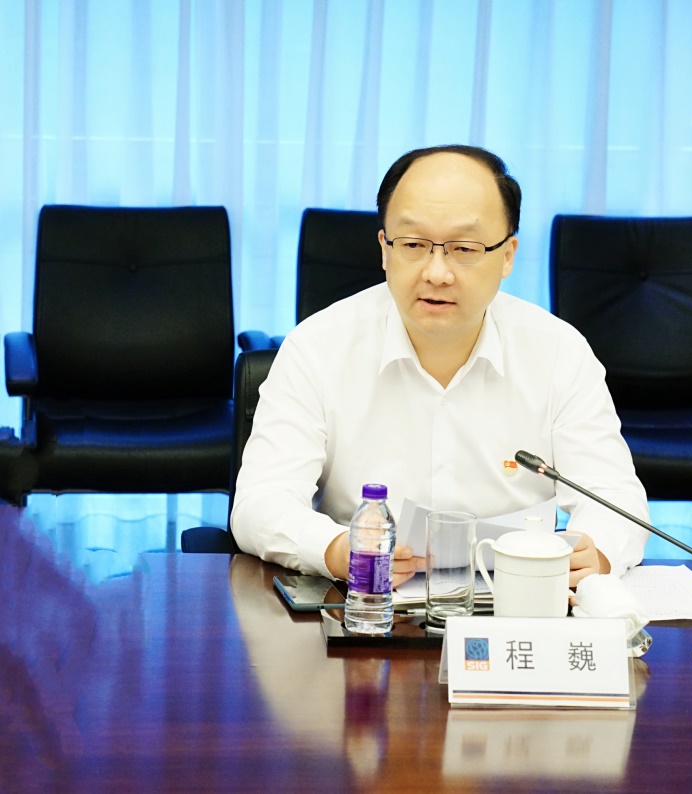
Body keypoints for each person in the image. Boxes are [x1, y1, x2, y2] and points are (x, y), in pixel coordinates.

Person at [231, 144, 650, 588]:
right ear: (384, 249)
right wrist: (337, 549)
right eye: (413, 245)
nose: (437, 273)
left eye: (464, 248)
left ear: (508, 255)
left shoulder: (559, 353)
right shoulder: (317, 347)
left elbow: (614, 499)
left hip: (519, 603)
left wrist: (597, 551)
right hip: (366, 605)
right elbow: (261, 502)